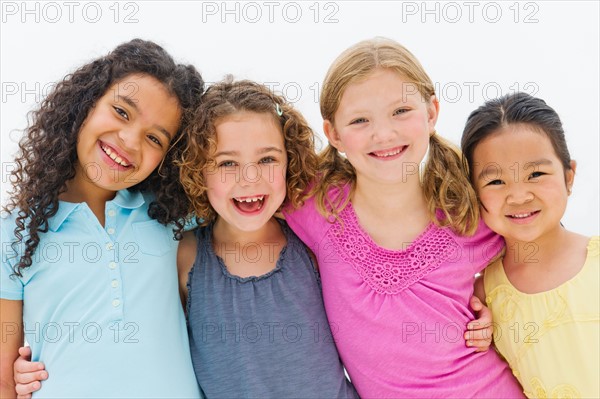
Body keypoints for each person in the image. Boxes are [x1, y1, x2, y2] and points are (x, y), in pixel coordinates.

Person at [283, 37, 525, 397]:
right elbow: (234, 200)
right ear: (334, 134)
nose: (384, 134)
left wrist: (495, 307)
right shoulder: (315, 204)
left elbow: (544, 247)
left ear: (431, 113)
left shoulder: (468, 212)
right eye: (360, 120)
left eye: (400, 111)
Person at [0, 39, 204, 398]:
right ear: (85, 103)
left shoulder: (170, 216)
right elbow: (4, 381)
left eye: (155, 138)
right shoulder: (13, 234)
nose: (128, 140)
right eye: (122, 112)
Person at [175, 78, 358, 397]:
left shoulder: (312, 245)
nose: (250, 178)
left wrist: (477, 300)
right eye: (227, 163)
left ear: (290, 161)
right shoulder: (185, 256)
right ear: (198, 170)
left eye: (267, 159)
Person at [461, 92, 600, 398]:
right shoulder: (485, 296)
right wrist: (480, 334)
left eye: (536, 174)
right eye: (496, 182)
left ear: (569, 176)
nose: (519, 196)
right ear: (474, 192)